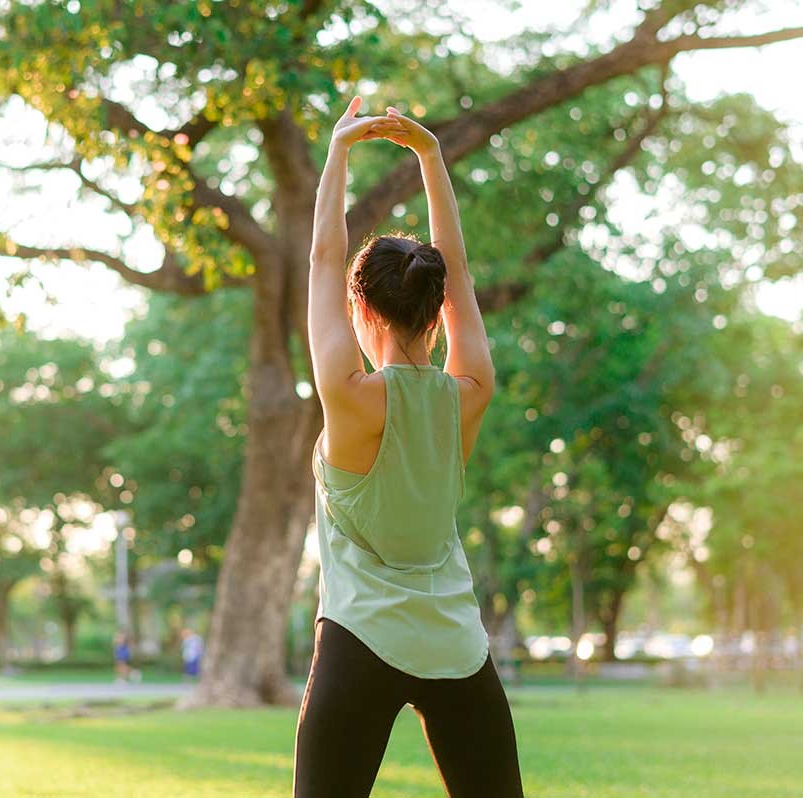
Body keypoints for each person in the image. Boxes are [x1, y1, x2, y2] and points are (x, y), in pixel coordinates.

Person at [293, 97, 525, 798]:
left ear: (361, 308)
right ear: (436, 307)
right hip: (454, 645)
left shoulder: (351, 395)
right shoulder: (471, 391)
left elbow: (323, 256)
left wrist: (338, 152)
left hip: (358, 642)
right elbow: (460, 275)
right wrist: (430, 154)